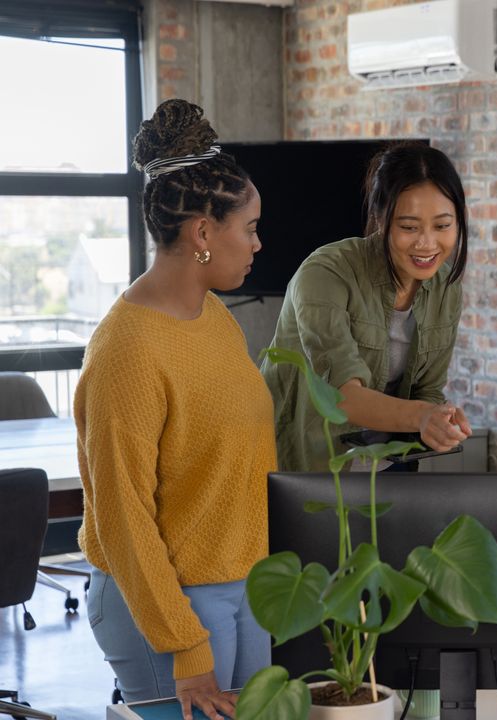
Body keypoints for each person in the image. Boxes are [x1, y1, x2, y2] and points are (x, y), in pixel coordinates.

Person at [75, 99, 275, 720]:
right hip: (168, 603)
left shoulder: (214, 317)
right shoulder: (127, 351)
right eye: (250, 227)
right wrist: (185, 643)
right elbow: (123, 519)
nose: (259, 243)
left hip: (245, 585)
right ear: (204, 234)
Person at [263, 141, 472, 472]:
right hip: (308, 464)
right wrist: (422, 415)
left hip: (388, 462)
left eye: (442, 226)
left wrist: (440, 419)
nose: (427, 243)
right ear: (380, 217)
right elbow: (341, 397)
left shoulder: (446, 286)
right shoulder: (324, 273)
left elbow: (427, 390)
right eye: (409, 227)